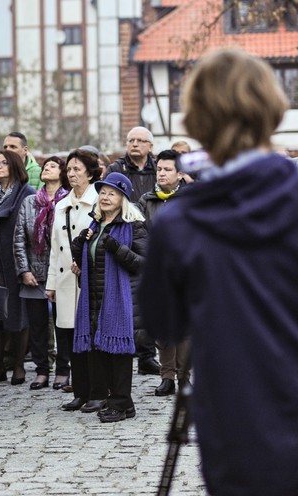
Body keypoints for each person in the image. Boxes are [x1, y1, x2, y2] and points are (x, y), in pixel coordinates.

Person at [140, 48, 298, 495]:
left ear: (196, 120)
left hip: (237, 419)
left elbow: (162, 323)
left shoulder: (180, 221)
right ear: (273, 108)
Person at [70, 172, 146, 422]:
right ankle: (120, 401)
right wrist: (79, 245)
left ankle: (121, 403)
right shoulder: (95, 225)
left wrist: (118, 249)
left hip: (122, 300)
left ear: (123, 198)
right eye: (102, 192)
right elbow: (89, 260)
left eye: (112, 193)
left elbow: (144, 263)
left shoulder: (133, 226)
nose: (105, 197)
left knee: (119, 353)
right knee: (101, 349)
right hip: (95, 297)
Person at [46, 148, 101, 412]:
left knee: (90, 335)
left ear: (90, 173)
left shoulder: (100, 201)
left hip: (91, 280)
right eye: (69, 169)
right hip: (66, 280)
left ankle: (96, 391)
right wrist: (51, 283)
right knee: (70, 337)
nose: (71, 173)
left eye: (77, 169)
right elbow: (54, 246)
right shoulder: (61, 205)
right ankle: (79, 392)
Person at [104, 129, 160, 375]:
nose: (134, 145)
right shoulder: (116, 169)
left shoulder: (158, 168)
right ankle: (128, 352)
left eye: (140, 141)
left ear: (150, 145)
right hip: (126, 236)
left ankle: (148, 356)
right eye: (130, 141)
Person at [136, 149, 190, 397]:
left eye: (168, 169)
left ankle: (184, 376)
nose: (162, 173)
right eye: (159, 169)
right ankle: (166, 377)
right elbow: (138, 234)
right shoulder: (146, 201)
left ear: (180, 173)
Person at [13, 156, 70, 390]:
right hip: (35, 275)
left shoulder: (68, 200)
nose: (46, 168)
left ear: (62, 172)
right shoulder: (29, 202)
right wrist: (24, 270)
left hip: (62, 273)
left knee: (63, 325)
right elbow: (18, 238)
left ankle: (63, 369)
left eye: (53, 166)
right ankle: (41, 370)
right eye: (45, 166)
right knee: (37, 326)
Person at [0, 150, 35, 386]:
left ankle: (18, 366)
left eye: (4, 162)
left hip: (16, 258)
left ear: (15, 164)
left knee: (18, 314)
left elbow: (31, 228)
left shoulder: (26, 192)